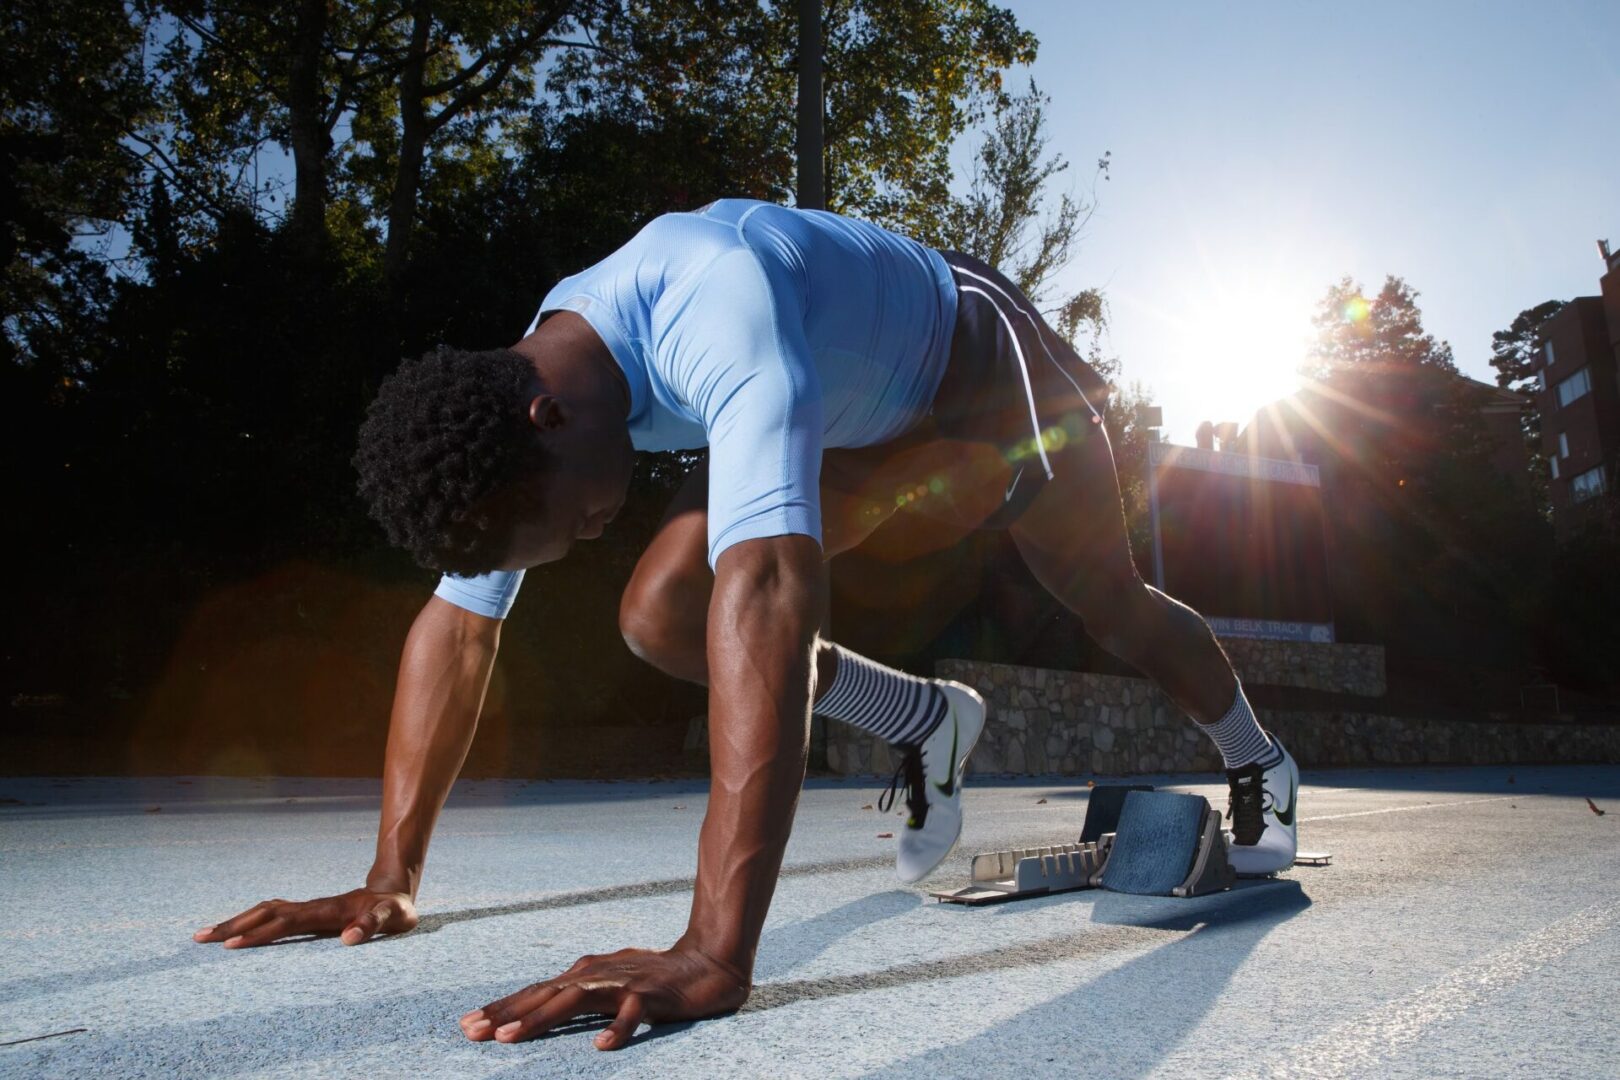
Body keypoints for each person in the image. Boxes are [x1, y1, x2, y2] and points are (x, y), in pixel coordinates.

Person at [192, 198, 1299, 1049]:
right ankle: (923, 722)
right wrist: (390, 877)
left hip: (974, 368)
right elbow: (459, 625)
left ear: (549, 420)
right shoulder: (533, 376)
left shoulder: (715, 305)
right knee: (660, 613)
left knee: (1106, 600)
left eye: (569, 523)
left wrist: (716, 949)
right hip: (845, 405)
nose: (587, 533)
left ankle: (1259, 760)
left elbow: (769, 589)